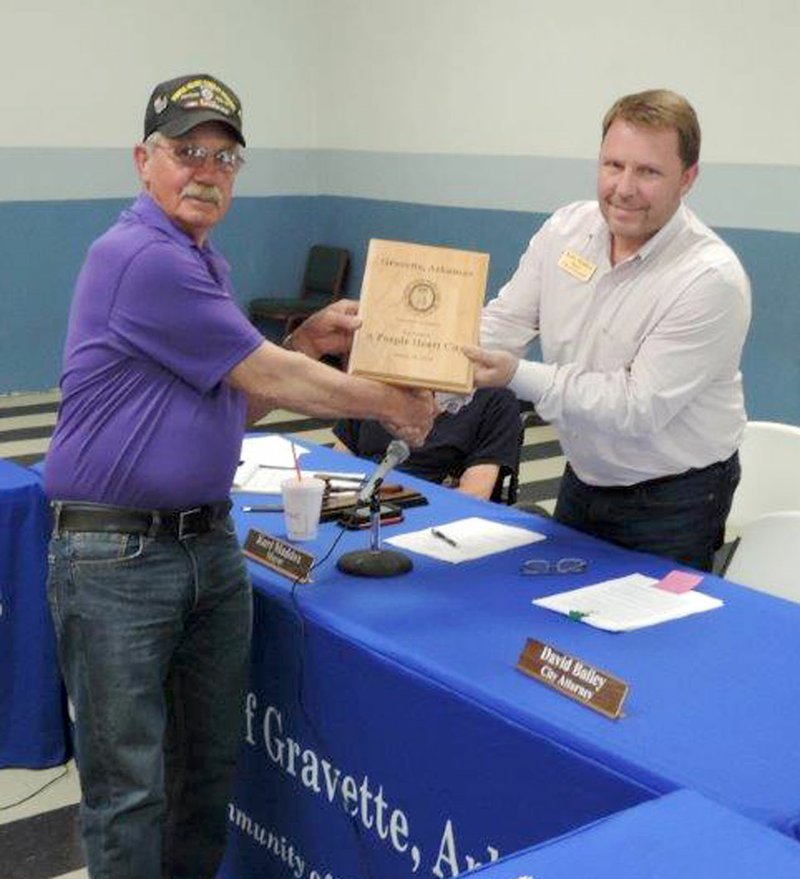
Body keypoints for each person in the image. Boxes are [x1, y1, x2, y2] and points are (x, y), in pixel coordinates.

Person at [43, 73, 435, 879]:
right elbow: (272, 379)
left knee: (204, 776)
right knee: (129, 790)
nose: (207, 171)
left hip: (207, 548)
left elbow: (237, 404)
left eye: (226, 157)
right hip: (118, 559)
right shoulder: (139, 257)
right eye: (187, 151)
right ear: (142, 161)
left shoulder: (204, 263)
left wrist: (314, 339)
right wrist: (390, 398)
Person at [464, 89, 751, 571]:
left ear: (688, 179)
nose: (624, 187)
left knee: (650, 637)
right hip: (583, 474)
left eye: (648, 172)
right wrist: (434, 368)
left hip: (675, 497)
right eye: (613, 165)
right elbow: (505, 323)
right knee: (561, 618)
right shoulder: (565, 231)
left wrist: (514, 373)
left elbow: (634, 407)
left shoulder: (708, 278)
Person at [333, 387, 521, 501]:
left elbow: (475, 494)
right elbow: (336, 463)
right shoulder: (376, 382)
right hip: (353, 499)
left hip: (425, 511)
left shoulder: (494, 400)